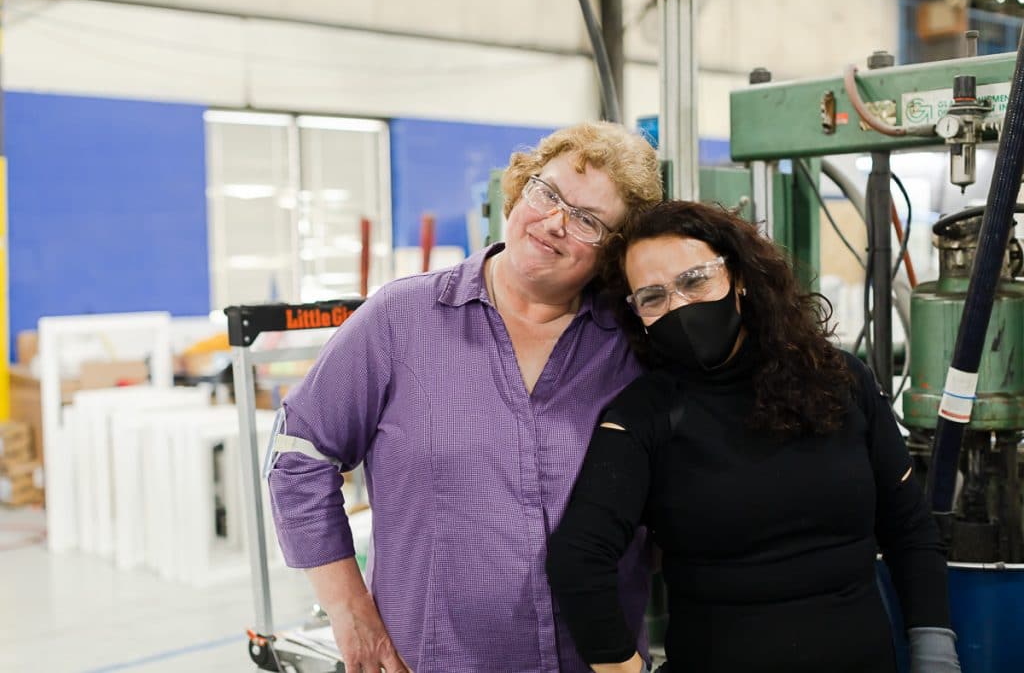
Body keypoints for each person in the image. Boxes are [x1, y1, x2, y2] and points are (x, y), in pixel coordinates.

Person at [267, 122, 663, 673]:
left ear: (614, 252)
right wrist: (348, 609)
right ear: (523, 184)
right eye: (547, 193)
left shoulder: (631, 347)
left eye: (588, 221)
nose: (554, 223)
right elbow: (298, 455)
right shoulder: (400, 321)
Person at [546, 201, 960, 673]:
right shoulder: (645, 415)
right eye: (653, 297)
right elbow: (578, 558)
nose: (680, 306)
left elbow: (911, 531)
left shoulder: (840, 380)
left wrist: (935, 655)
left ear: (738, 277)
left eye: (694, 280)